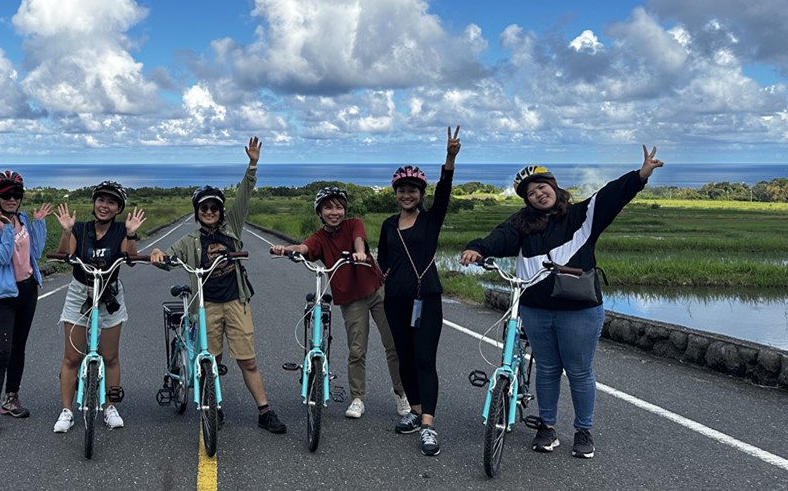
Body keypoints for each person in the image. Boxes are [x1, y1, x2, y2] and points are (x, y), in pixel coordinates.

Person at [459, 145, 665, 460]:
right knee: (547, 369)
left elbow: (612, 195)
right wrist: (478, 248)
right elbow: (498, 238)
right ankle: (547, 427)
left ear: (554, 188)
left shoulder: (581, 216)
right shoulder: (521, 225)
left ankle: (583, 432)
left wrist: (640, 176)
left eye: (542, 187)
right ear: (526, 200)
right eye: (531, 193)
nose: (539, 194)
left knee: (580, 371)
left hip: (579, 310)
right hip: (536, 309)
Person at [150, 137, 287, 434]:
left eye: (214, 208)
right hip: (206, 305)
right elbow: (168, 258)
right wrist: (159, 256)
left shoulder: (232, 228)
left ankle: (264, 411)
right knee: (211, 363)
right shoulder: (189, 241)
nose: (210, 212)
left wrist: (252, 165)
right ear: (197, 212)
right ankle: (215, 406)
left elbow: (244, 195)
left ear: (221, 211)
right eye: (204, 208)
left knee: (248, 360)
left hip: (236, 301)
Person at [268, 186, 410, 423]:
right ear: (320, 212)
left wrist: (360, 253)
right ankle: (358, 398)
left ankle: (402, 393)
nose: (335, 212)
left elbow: (359, 240)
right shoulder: (320, 238)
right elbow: (304, 248)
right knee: (357, 349)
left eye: (339, 207)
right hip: (350, 298)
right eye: (328, 207)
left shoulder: (354, 223)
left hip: (376, 290)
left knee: (393, 344)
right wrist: (285, 250)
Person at [377, 126, 461, 457]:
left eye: (412, 190)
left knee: (425, 358)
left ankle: (428, 424)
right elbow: (384, 261)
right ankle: (414, 410)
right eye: (402, 190)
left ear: (421, 194)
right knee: (405, 361)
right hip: (395, 300)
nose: (407, 195)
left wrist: (449, 159)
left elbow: (445, 194)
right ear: (395, 193)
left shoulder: (430, 220)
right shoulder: (387, 225)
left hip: (426, 298)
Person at [51, 181, 146, 434]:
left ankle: (109, 406)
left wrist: (131, 234)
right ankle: (67, 411)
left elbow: (132, 260)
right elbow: (63, 256)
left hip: (110, 295)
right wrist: (66, 231)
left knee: (110, 356)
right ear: (94, 203)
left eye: (112, 202)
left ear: (118, 209)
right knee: (73, 357)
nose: (105, 206)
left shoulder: (119, 232)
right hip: (80, 292)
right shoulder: (80, 230)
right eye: (101, 200)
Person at [0, 170, 51, 438]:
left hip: (28, 290)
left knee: (18, 348)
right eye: (6, 195)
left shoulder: (22, 219)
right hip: (2, 296)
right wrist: (8, 227)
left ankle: (11, 399)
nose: (12, 199)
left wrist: (38, 223)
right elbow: (1, 256)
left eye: (16, 194)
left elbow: (37, 253)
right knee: (1, 352)